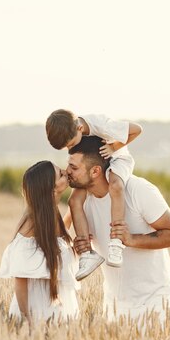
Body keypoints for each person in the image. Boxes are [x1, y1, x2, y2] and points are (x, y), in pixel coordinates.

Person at [67, 136, 170, 330]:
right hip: (113, 304)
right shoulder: (81, 203)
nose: (67, 171)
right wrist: (78, 247)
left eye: (74, 167)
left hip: (154, 303)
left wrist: (131, 239)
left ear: (95, 171)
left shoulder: (138, 190)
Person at [46, 109, 143, 279]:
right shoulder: (72, 130)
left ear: (80, 128)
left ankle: (116, 242)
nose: (70, 148)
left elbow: (137, 129)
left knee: (115, 186)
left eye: (69, 144)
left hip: (116, 158)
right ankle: (86, 253)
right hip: (93, 163)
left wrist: (114, 147)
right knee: (74, 201)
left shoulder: (102, 124)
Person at [0, 161, 79, 325]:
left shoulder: (49, 213)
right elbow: (20, 279)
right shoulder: (31, 225)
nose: (66, 171)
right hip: (36, 306)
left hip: (54, 303)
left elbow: (57, 240)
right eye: (61, 174)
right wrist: (26, 319)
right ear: (51, 189)